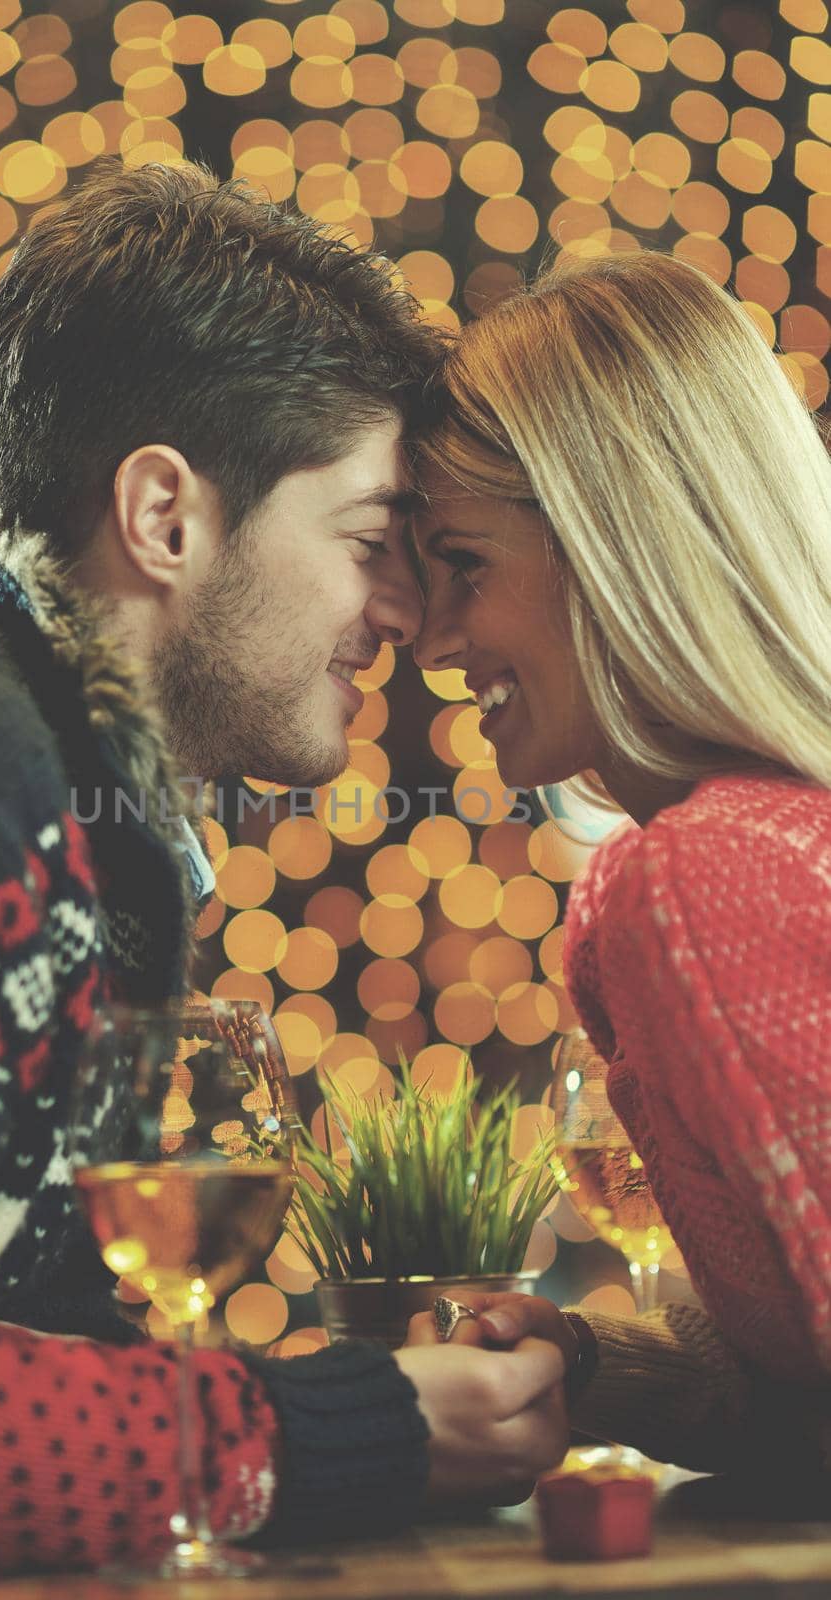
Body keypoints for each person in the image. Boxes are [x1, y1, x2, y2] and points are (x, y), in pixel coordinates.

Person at [0, 158, 569, 1587]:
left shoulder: (51, 785)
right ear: (165, 517)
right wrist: (315, 1431)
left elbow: (3, 1345)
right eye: (375, 544)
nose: (409, 616)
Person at [410, 249, 831, 1476]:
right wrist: (600, 1362)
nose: (435, 639)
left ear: (612, 535)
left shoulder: (703, 880)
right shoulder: (772, 841)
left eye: (467, 565)